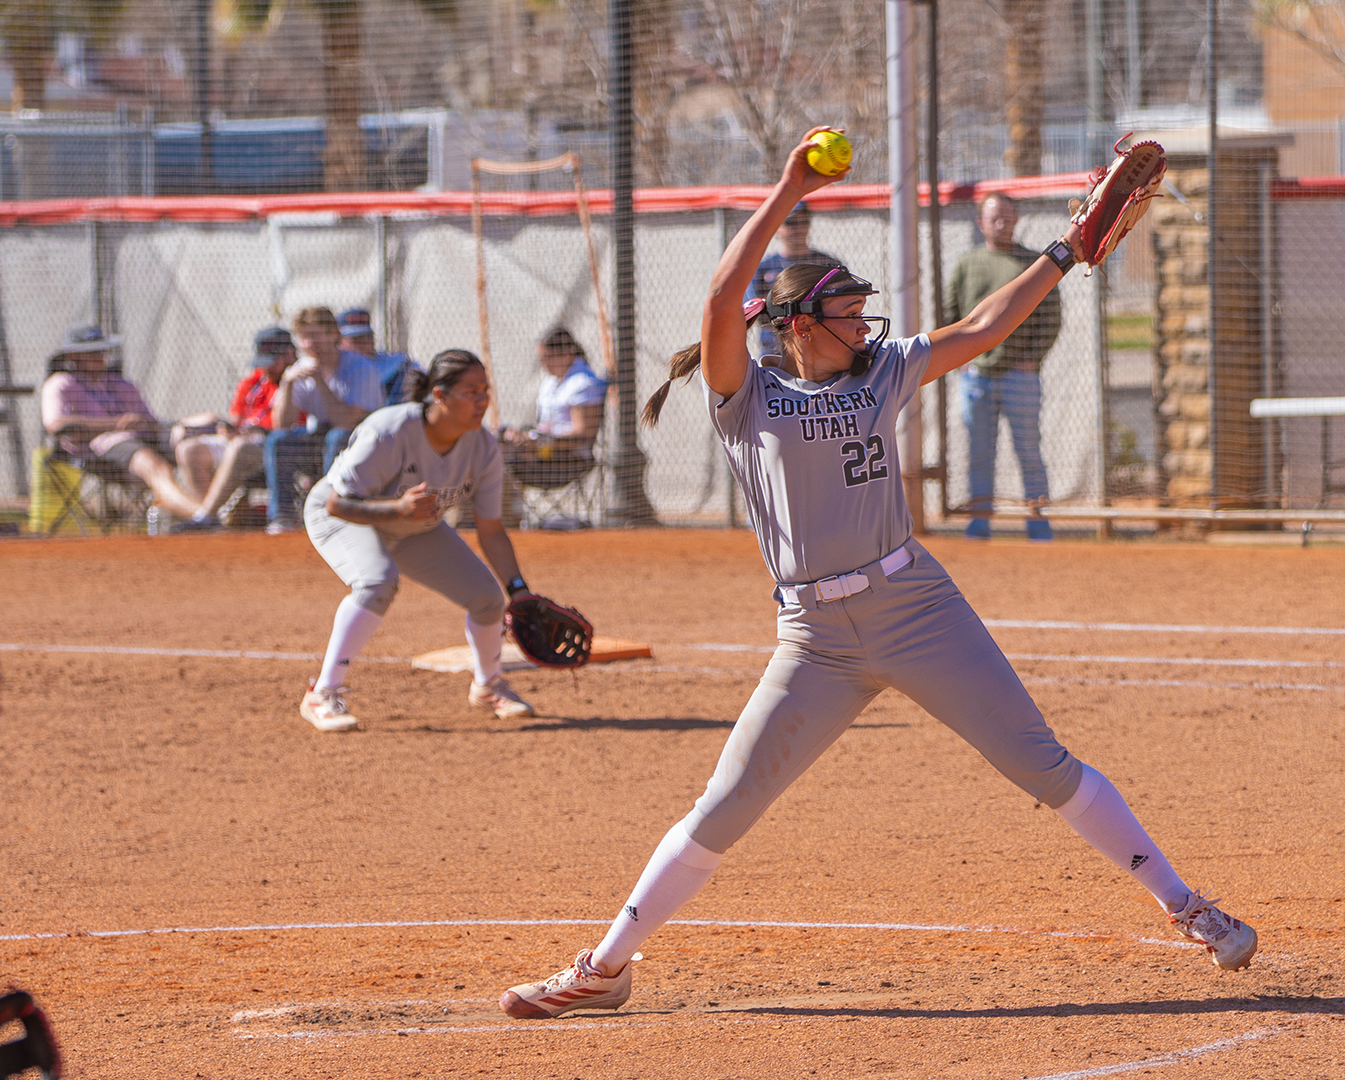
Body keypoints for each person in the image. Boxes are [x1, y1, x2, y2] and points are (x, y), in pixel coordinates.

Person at [499, 128, 1256, 1021]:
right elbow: (718, 297)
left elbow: (980, 328)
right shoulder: (751, 398)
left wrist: (1062, 251)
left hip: (916, 610)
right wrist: (787, 187)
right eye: (847, 312)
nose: (866, 323)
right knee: (724, 807)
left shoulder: (884, 373)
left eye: (864, 310)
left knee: (1042, 766)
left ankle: (1188, 906)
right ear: (795, 326)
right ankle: (606, 966)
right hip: (814, 641)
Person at [296, 349, 543, 732]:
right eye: (470, 391)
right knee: (377, 581)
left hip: (412, 526)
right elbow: (337, 503)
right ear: (439, 396)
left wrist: (519, 589)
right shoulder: (390, 430)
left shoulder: (483, 448)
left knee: (488, 600)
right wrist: (397, 510)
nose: (482, 400)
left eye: (485, 390)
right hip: (340, 515)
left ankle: (488, 685)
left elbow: (490, 529)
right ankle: (322, 693)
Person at [946, 192, 1063, 542]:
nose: (1001, 223)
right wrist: (961, 361)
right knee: (980, 453)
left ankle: (1038, 525)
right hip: (977, 378)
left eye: (1007, 216)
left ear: (1016, 219)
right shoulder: (968, 264)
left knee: (1029, 451)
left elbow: (1051, 318)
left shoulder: (1033, 263)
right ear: (980, 222)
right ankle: (979, 524)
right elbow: (951, 315)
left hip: (1020, 378)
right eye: (994, 217)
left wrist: (1033, 359)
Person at [39, 324, 205, 524]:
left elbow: (152, 423)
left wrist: (139, 423)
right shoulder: (61, 383)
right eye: (91, 354)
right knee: (152, 464)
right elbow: (55, 424)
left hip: (144, 438)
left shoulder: (121, 384)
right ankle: (202, 516)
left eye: (102, 352)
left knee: (191, 442)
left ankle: (211, 511)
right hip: (102, 448)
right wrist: (116, 424)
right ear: (73, 357)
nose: (100, 357)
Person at [263, 307, 386, 534]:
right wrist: (287, 385)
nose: (310, 343)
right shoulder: (299, 370)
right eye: (304, 337)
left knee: (336, 436)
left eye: (316, 335)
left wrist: (321, 383)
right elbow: (281, 425)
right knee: (278, 441)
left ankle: (329, 512)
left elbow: (346, 422)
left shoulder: (360, 368)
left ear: (333, 335)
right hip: (319, 441)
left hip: (362, 444)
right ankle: (282, 517)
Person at [168, 326, 305, 531]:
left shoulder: (301, 380)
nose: (266, 368)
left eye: (272, 361)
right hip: (241, 442)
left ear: (289, 355)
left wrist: (257, 433)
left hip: (277, 447)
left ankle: (206, 516)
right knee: (189, 450)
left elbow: (291, 426)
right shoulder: (254, 381)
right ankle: (214, 518)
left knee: (240, 446)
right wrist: (227, 429)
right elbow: (236, 419)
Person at [501, 328, 606, 524]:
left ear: (567, 354)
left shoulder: (584, 383)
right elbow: (545, 425)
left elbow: (584, 435)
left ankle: (507, 520)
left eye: (547, 358)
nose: (543, 365)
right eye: (541, 359)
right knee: (496, 445)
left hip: (567, 460)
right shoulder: (550, 383)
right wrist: (523, 434)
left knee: (502, 460)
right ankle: (507, 518)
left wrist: (541, 443)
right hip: (541, 453)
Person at [743, 201, 837, 358]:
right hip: (776, 347)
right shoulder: (764, 268)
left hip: (820, 345)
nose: (798, 229)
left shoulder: (827, 264)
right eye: (791, 223)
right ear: (777, 227)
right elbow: (755, 311)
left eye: (804, 222)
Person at [337, 307, 419, 406]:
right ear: (339, 342)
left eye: (368, 337)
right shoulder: (335, 369)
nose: (364, 343)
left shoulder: (398, 363)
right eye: (356, 339)